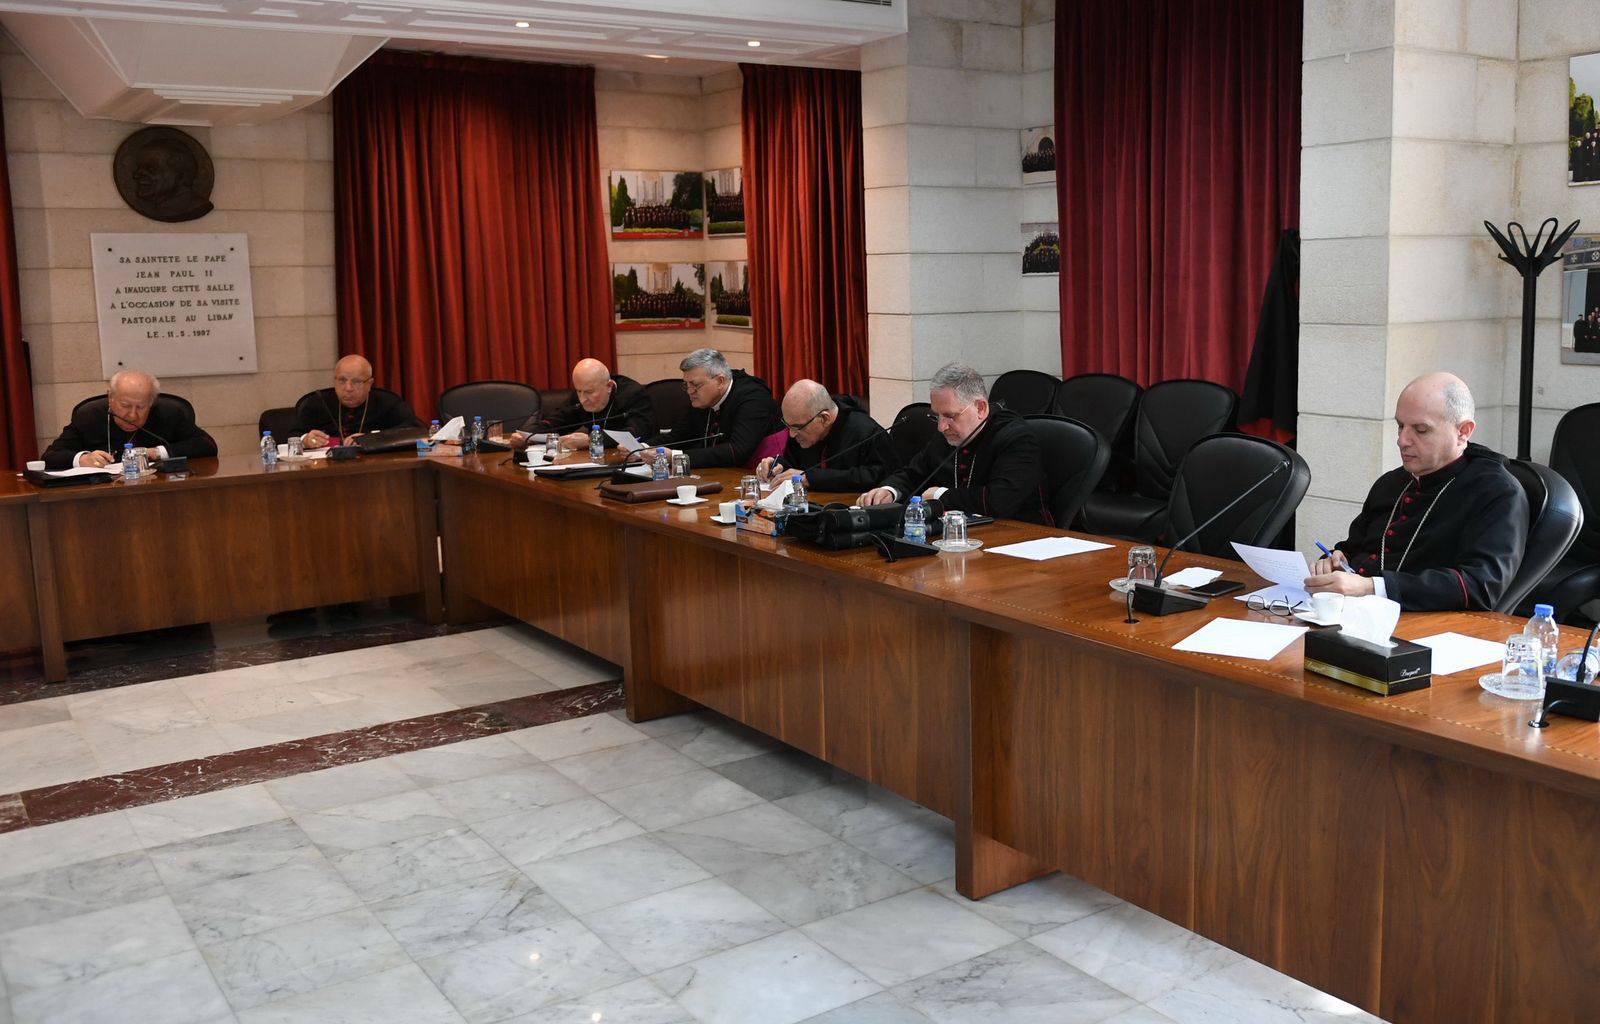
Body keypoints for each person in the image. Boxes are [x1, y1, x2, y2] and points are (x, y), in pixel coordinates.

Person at [1304, 372, 1527, 611]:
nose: (1402, 441)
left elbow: (1479, 586)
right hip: (1350, 613)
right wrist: (1335, 560)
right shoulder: (1391, 482)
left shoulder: (1498, 492)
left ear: (1463, 431)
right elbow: (1354, 547)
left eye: (1420, 430)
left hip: (1425, 624)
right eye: (1400, 426)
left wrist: (1371, 587)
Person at [859, 362, 1051, 524]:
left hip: (1020, 537)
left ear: (980, 408)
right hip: (960, 536)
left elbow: (999, 501)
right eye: (937, 416)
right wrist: (890, 491)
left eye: (950, 416)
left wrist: (941, 496)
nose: (941, 427)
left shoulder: (1016, 438)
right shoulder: (949, 435)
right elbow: (914, 473)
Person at [42, 370, 217, 470]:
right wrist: (82, 459)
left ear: (151, 403)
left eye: (141, 407)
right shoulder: (89, 416)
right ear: (110, 398)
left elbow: (207, 445)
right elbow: (50, 457)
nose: (132, 415)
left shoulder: (169, 414)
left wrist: (155, 453)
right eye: (125, 405)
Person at [757, 379, 900, 493]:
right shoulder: (802, 425)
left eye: (797, 427)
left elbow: (880, 476)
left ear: (825, 418)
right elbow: (795, 465)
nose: (791, 434)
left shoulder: (866, 432)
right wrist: (778, 466)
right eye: (788, 426)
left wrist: (812, 479)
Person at [515, 359, 655, 450]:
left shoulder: (633, 394)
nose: (582, 399)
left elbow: (635, 434)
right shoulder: (582, 394)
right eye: (578, 391)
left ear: (609, 386)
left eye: (589, 392)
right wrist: (528, 436)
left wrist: (590, 441)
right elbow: (556, 422)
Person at [676, 348, 781, 469]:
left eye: (695, 385)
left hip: (758, 473)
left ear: (720, 381)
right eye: (686, 385)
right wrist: (656, 449)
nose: (690, 391)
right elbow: (678, 436)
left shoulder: (753, 397)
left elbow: (737, 451)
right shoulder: (702, 398)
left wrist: (678, 457)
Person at [294, 355, 420, 449]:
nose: (348, 388)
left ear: (369, 384)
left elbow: (417, 430)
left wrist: (371, 438)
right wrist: (305, 440)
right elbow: (290, 435)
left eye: (357, 382)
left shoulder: (387, 402)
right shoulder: (316, 402)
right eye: (342, 380)